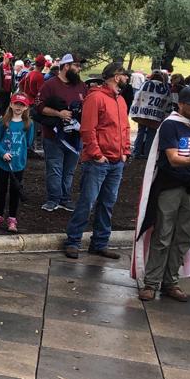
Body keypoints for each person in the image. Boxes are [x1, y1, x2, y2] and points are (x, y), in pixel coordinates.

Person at [131, 86, 190, 302]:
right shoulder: (171, 125)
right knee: (163, 234)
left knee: (184, 236)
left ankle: (170, 281)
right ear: (181, 104)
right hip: (170, 184)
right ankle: (152, 282)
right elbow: (173, 159)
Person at [63, 62, 131, 259]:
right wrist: (97, 154)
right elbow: (87, 129)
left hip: (116, 161)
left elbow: (125, 128)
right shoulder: (96, 98)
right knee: (88, 201)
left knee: (107, 203)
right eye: (124, 75)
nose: (127, 78)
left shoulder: (120, 100)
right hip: (99, 161)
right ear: (116, 77)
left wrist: (125, 151)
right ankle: (73, 240)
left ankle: (100, 242)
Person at [37, 53, 87, 212]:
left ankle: (65, 198)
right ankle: (53, 198)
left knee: (69, 171)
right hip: (54, 136)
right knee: (55, 168)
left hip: (74, 137)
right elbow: (38, 107)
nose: (79, 69)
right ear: (66, 66)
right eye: (77, 66)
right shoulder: (50, 85)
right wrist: (59, 113)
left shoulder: (81, 86)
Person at [0, 93, 34, 233]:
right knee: (1, 190)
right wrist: (3, 152)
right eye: (16, 104)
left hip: (18, 164)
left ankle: (12, 219)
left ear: (26, 107)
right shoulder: (4, 121)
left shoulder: (28, 123)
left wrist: (18, 153)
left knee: (15, 190)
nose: (18, 107)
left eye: (22, 105)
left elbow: (28, 142)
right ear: (11, 104)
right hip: (3, 163)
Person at [0, 53, 15, 119]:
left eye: (11, 58)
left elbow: (13, 79)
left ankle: (4, 119)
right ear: (5, 58)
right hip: (1, 90)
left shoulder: (11, 67)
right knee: (0, 106)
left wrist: (13, 90)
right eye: (10, 58)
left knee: (6, 106)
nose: (11, 60)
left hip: (8, 91)